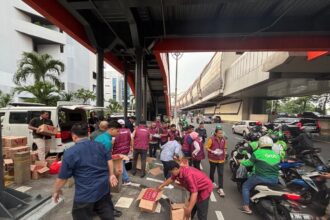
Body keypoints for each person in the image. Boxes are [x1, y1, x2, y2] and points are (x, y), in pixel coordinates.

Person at [52, 122, 118, 220]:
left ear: (74, 137)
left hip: (85, 194)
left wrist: (56, 191)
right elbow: (109, 160)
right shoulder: (100, 146)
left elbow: (62, 178)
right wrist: (111, 174)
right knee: (107, 214)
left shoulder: (70, 153)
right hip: (103, 189)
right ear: (87, 134)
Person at [240, 136, 280, 214]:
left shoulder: (257, 153)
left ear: (260, 144)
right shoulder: (276, 155)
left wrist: (241, 162)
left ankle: (246, 206)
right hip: (275, 179)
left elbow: (249, 163)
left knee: (245, 186)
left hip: (260, 177)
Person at [205, 127, 227, 197]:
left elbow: (225, 148)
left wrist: (225, 153)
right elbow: (206, 147)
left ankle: (220, 188)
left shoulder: (224, 139)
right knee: (212, 171)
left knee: (221, 173)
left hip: (221, 159)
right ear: (216, 133)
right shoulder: (211, 139)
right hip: (213, 159)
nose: (221, 134)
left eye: (222, 133)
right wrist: (213, 151)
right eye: (219, 133)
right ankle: (211, 182)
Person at [112, 119, 132, 185]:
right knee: (122, 164)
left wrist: (111, 149)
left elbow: (113, 142)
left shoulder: (116, 131)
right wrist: (131, 148)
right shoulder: (128, 131)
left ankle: (126, 180)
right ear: (123, 124)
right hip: (126, 150)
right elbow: (131, 139)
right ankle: (123, 179)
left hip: (117, 151)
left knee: (120, 165)